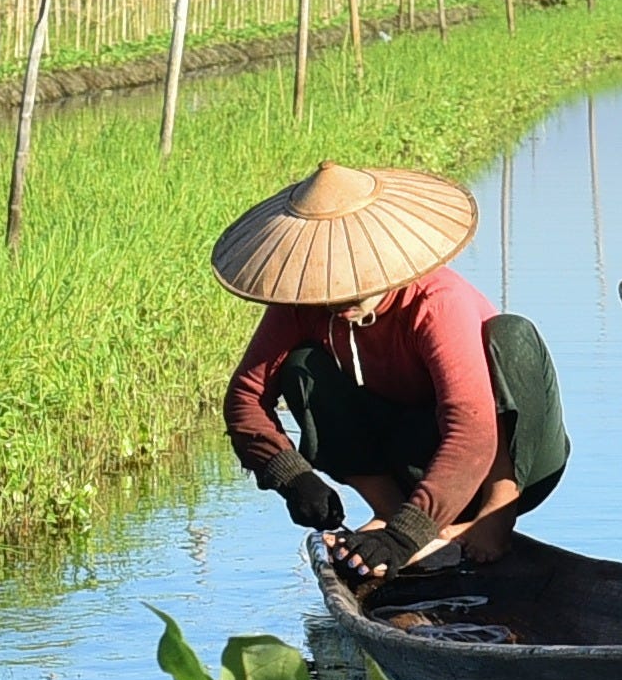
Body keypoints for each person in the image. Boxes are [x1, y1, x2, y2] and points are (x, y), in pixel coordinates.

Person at [214, 163, 570, 581]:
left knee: (512, 336)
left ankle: (495, 514)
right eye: (330, 283)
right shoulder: (303, 306)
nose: (341, 295)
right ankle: (387, 508)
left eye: (355, 280)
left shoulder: (437, 302)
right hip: (413, 462)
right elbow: (245, 397)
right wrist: (291, 475)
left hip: (507, 462)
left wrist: (406, 538)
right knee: (302, 367)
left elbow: (471, 432)